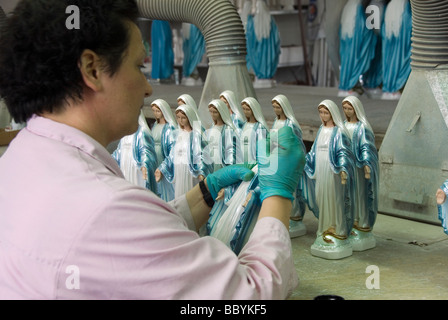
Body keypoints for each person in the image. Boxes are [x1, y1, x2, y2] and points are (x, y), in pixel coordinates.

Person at [0, 0, 302, 299]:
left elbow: (135, 245)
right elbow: (249, 295)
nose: (147, 88)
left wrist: (205, 193)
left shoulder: (18, 158)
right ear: (92, 70)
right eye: (138, 66)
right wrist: (278, 194)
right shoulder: (106, 208)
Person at [303, 100, 355, 260]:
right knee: (320, 198)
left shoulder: (339, 131)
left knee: (334, 200)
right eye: (321, 113)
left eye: (326, 112)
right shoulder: (321, 129)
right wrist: (306, 161)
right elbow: (314, 150)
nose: (323, 116)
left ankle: (338, 229)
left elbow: (344, 151)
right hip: (320, 169)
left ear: (332, 113)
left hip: (333, 171)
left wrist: (343, 169)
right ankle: (324, 228)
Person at [342, 96, 379, 251]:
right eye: (344, 108)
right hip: (347, 167)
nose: (347, 111)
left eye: (350, 108)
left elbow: (367, 146)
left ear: (356, 109)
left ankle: (362, 224)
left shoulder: (362, 127)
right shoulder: (343, 125)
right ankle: (349, 222)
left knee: (360, 196)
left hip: (358, 168)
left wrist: (366, 164)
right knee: (348, 196)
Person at [156, 104, 212, 199]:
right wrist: (161, 168)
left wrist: (201, 171)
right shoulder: (178, 134)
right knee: (179, 195)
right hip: (179, 169)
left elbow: (201, 155)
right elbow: (172, 156)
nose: (180, 120)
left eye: (183, 118)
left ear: (189, 118)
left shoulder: (196, 135)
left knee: (190, 195)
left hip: (190, 171)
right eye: (178, 117)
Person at [271, 94, 307, 238]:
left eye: (278, 107)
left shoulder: (291, 124)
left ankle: (294, 218)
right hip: (278, 162)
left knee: (292, 191)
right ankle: (282, 216)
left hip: (289, 163)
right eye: (273, 107)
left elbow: (298, 145)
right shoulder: (276, 122)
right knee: (280, 190)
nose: (275, 110)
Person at [112, 111, 158, 193]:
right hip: (124, 165)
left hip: (135, 168)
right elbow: (119, 151)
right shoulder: (124, 131)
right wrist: (109, 159)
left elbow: (146, 150)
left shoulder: (142, 132)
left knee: (135, 189)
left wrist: (145, 164)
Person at [151, 99, 178, 201]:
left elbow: (173, 149)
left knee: (165, 189)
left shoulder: (169, 128)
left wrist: (164, 166)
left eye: (158, 111)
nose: (155, 113)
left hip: (164, 159)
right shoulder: (155, 125)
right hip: (155, 158)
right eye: (153, 111)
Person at [240, 97, 270, 165]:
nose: (245, 112)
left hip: (254, 159)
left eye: (247, 109)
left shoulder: (259, 127)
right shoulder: (245, 124)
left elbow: (262, 147)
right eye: (243, 109)